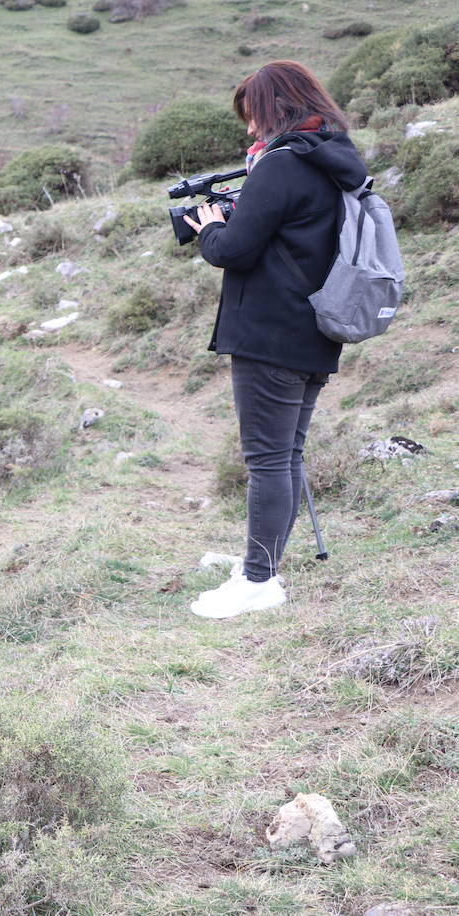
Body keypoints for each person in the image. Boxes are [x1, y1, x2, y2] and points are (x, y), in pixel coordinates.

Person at [181, 60, 367, 619]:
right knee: (286, 454)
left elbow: (233, 251)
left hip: (270, 332)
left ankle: (259, 581)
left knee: (267, 460)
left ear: (275, 108)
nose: (250, 130)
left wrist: (208, 225)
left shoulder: (281, 166)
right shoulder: (332, 158)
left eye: (253, 117)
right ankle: (260, 563)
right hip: (315, 329)